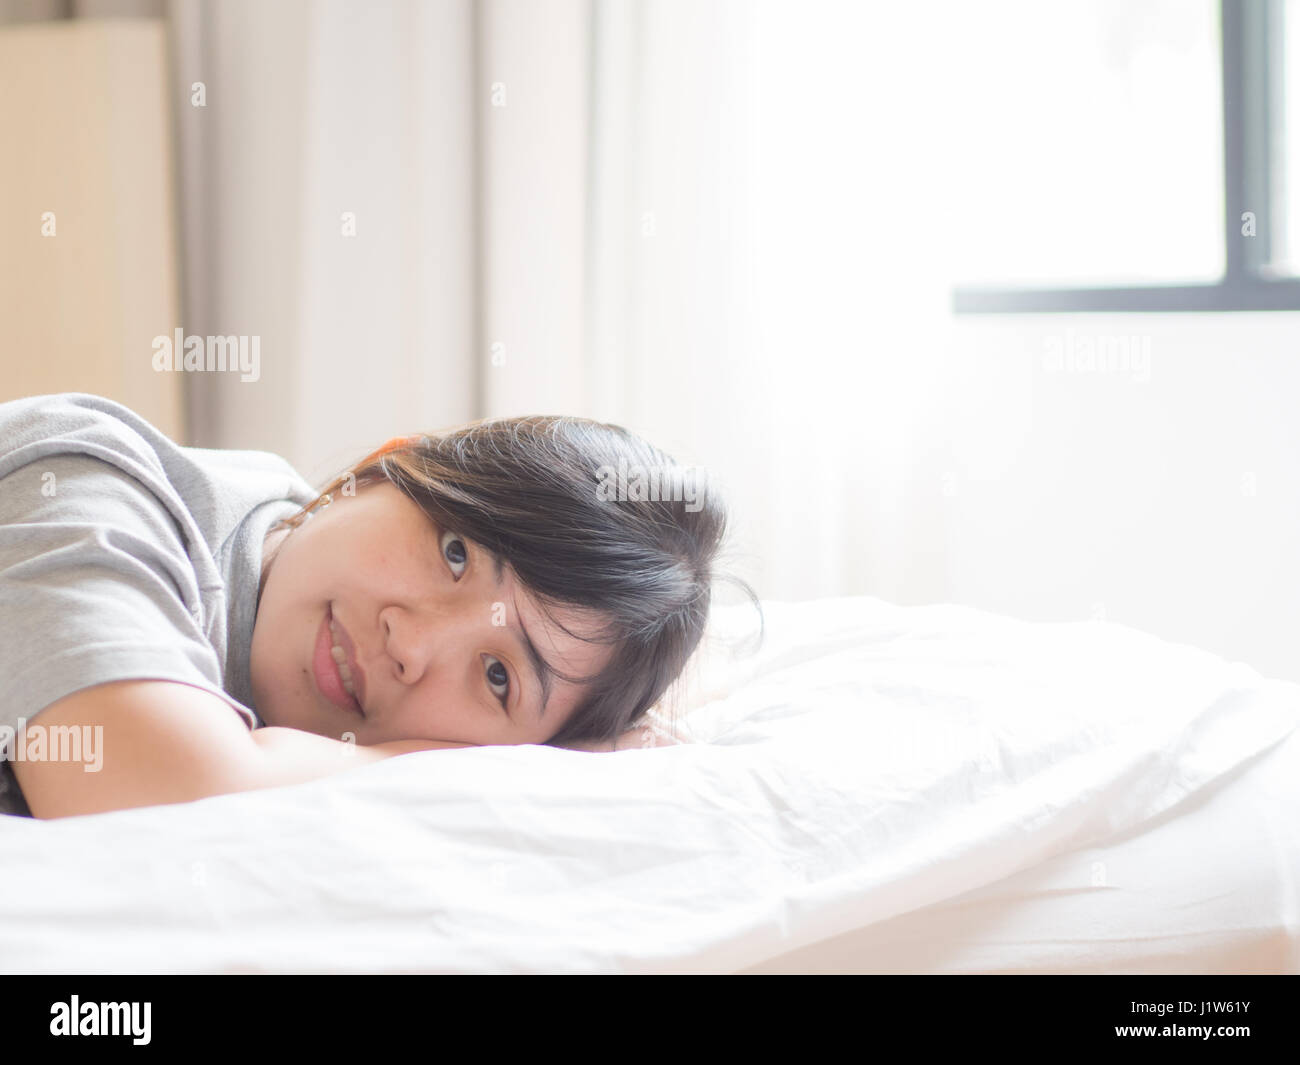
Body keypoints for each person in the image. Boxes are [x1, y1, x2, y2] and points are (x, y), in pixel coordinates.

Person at [0, 393, 757, 820]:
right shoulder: (87, 477)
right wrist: (424, 757)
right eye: (456, 552)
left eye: (498, 678)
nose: (413, 645)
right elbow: (140, 791)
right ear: (383, 466)